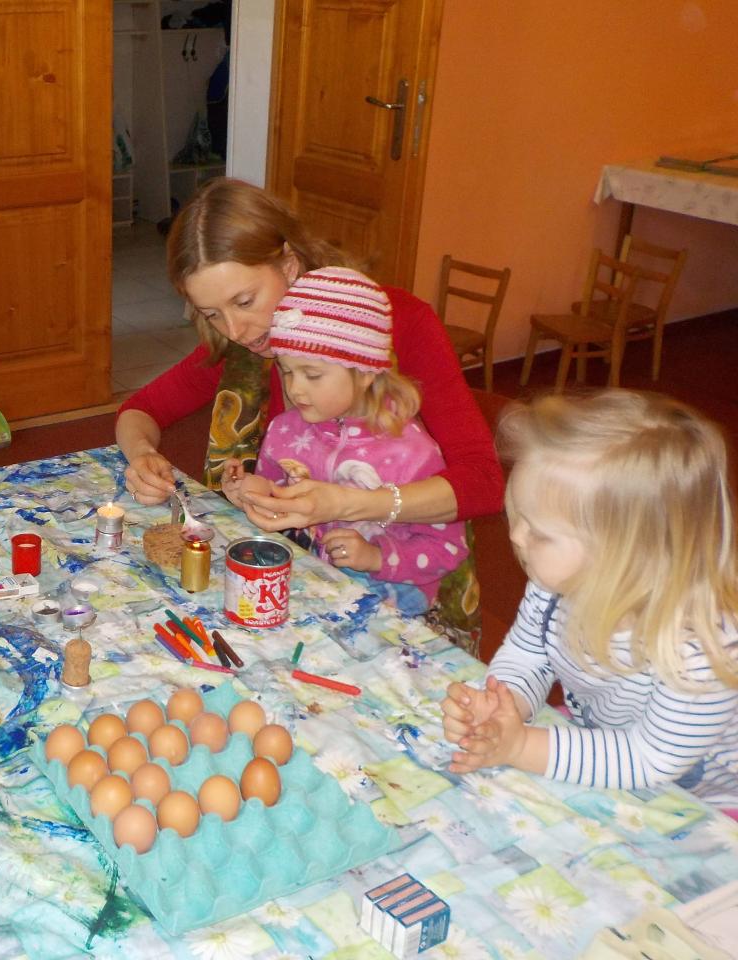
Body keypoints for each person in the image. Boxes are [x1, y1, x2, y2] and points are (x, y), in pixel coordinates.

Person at [117, 178, 502, 650]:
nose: (235, 329)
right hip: (304, 587)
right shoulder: (244, 346)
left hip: (406, 597)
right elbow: (140, 410)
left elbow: (483, 482)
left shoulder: (396, 323)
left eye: (244, 301)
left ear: (290, 264)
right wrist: (142, 455)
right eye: (211, 313)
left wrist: (346, 503)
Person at [441, 390, 738, 804]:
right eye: (518, 515)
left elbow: (651, 759)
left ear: (627, 554)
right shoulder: (556, 586)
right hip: (607, 742)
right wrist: (503, 705)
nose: (516, 536)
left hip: (705, 800)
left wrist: (521, 745)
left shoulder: (700, 648)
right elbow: (529, 654)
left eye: (539, 532)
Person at [223, 267, 468, 616]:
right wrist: (254, 491)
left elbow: (447, 549)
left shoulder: (412, 452)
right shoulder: (285, 430)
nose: (295, 389)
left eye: (312, 375)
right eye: (287, 371)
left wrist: (376, 557)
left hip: (391, 597)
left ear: (365, 372)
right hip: (312, 581)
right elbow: (279, 496)